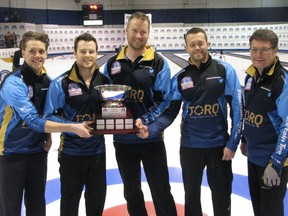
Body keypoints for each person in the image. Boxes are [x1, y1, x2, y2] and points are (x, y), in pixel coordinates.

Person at [137, 27, 243, 216]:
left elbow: (237, 108)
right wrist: (150, 129)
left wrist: (233, 142)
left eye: (200, 43)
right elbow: (169, 112)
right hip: (190, 147)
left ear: (207, 44)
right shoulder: (180, 78)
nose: (197, 48)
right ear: (186, 47)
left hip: (218, 147)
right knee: (191, 198)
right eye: (193, 44)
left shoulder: (225, 70)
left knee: (221, 196)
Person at [0, 31, 92, 216]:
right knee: (10, 209)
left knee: (37, 207)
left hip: (37, 152)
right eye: (32, 51)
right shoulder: (13, 83)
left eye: (41, 51)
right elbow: (33, 120)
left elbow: (47, 113)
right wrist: (72, 127)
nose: (37, 56)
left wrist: (48, 136)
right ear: (23, 53)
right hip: (11, 153)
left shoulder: (47, 81)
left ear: (47, 53)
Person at [103, 11, 177, 216]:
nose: (138, 35)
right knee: (131, 191)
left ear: (148, 33)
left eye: (143, 32)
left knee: (161, 189)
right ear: (126, 31)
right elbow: (106, 99)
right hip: (123, 139)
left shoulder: (159, 63)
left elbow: (163, 101)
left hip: (150, 137)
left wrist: (145, 121)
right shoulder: (112, 64)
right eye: (134, 30)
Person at [44, 33, 110, 216]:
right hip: (72, 153)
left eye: (91, 51)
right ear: (75, 53)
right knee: (70, 203)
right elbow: (49, 117)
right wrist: (73, 126)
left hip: (97, 152)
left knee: (97, 201)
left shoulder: (105, 82)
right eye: (83, 51)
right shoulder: (61, 83)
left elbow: (111, 110)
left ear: (97, 53)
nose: (87, 55)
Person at [240, 29, 288, 216]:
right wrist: (244, 138)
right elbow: (249, 111)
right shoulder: (251, 77)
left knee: (270, 211)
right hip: (253, 157)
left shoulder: (281, 81)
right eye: (254, 49)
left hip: (272, 161)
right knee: (259, 209)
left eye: (264, 50)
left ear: (275, 51)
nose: (258, 55)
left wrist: (276, 163)